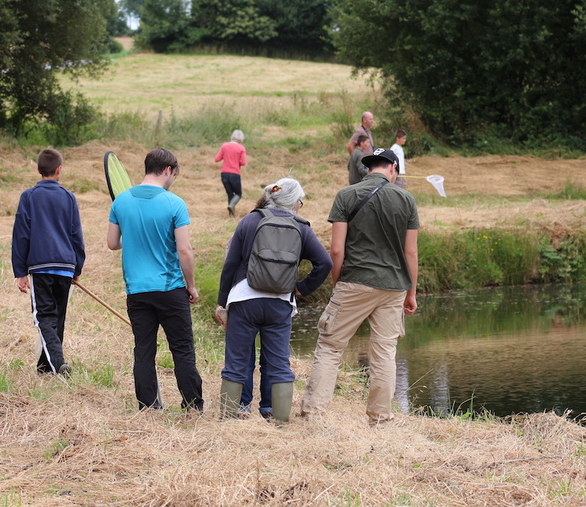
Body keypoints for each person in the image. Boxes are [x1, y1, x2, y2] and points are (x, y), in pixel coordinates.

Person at [301, 148, 419, 426]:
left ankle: (313, 415)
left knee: (330, 347)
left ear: (369, 168)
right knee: (384, 354)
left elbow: (336, 251)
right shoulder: (406, 199)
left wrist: (337, 283)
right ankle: (380, 419)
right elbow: (410, 253)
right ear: (393, 168)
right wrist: (411, 292)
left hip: (354, 281)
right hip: (393, 287)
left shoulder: (346, 195)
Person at [216, 178, 332, 423]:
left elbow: (230, 265)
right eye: (300, 201)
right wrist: (300, 289)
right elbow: (325, 264)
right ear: (294, 202)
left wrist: (222, 302)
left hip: (244, 301)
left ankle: (230, 417)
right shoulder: (301, 227)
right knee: (278, 362)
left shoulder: (249, 221)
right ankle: (276, 417)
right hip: (280, 304)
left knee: (237, 360)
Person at [107, 147, 204, 412]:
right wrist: (191, 286)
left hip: (136, 291)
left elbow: (112, 243)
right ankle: (193, 406)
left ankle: (148, 407)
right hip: (170, 288)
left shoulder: (121, 201)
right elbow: (184, 250)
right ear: (167, 170)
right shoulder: (174, 203)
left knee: (144, 350)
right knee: (182, 350)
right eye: (174, 175)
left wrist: (136, 236)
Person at [11, 148, 85, 377]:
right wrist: (77, 267)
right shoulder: (68, 197)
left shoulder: (29, 196)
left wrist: (20, 271)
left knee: (44, 317)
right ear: (59, 170)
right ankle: (46, 367)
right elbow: (76, 235)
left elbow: (21, 235)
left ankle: (58, 364)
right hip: (65, 266)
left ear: (38, 170)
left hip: (41, 267)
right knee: (57, 317)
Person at [215, 130, 247, 217]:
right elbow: (243, 162)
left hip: (224, 173)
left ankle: (231, 214)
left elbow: (217, 159)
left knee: (230, 194)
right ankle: (231, 205)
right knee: (238, 194)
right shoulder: (241, 148)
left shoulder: (224, 146)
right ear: (241, 139)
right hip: (235, 174)